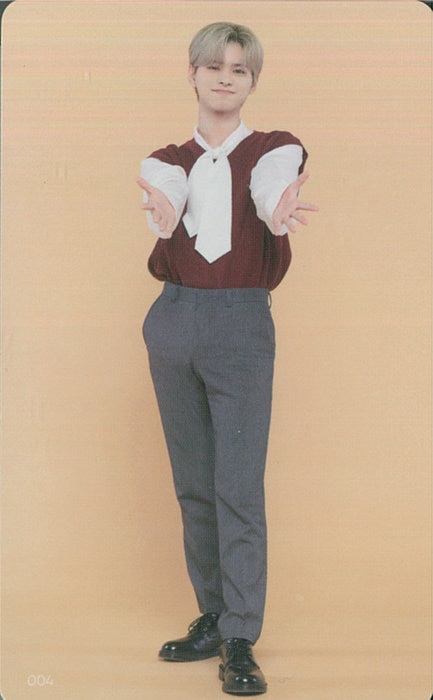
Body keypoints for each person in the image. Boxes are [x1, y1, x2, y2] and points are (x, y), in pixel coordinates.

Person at [136, 21, 318, 696]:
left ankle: (241, 635)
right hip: (173, 319)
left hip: (240, 324)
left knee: (237, 486)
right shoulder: (167, 159)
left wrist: (276, 208)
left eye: (238, 69)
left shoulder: (275, 147)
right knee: (193, 482)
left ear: (252, 82)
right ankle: (213, 615)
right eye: (213, 66)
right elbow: (170, 187)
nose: (224, 77)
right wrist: (163, 208)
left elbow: (270, 185)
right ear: (192, 73)